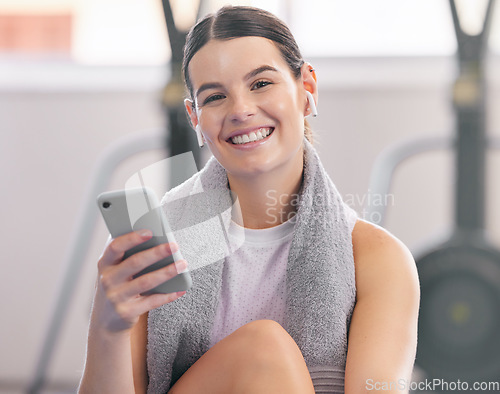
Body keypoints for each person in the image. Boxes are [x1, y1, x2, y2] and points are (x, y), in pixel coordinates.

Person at [78, 5, 420, 394]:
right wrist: (107, 329)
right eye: (215, 97)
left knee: (265, 347)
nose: (240, 110)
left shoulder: (376, 259)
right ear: (195, 117)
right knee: (264, 348)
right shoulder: (152, 250)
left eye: (260, 84)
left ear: (306, 88)